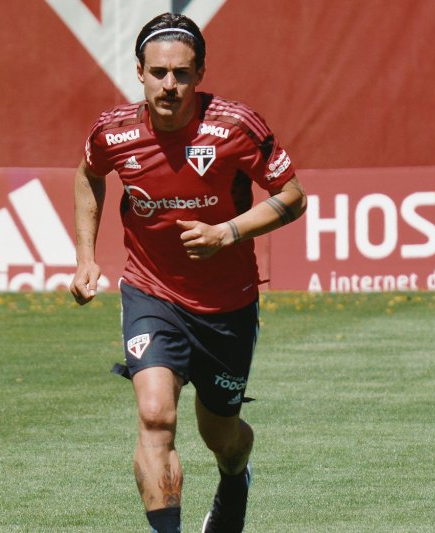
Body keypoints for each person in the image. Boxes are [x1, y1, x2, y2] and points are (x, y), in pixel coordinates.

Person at [70, 12, 306, 533]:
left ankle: (235, 478)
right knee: (155, 415)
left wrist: (228, 232)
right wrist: (86, 256)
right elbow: (89, 175)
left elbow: (292, 197)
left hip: (227, 304)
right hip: (151, 293)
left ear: (199, 74)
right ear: (139, 72)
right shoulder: (113, 132)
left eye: (181, 73)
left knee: (222, 436)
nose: (169, 85)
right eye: (158, 72)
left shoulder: (236, 126)